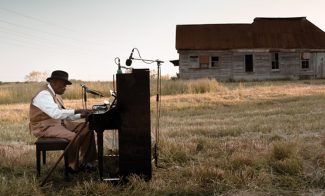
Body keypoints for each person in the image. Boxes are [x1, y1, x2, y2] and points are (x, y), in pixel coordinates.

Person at [29, 70, 97, 173]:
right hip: (44, 127)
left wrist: (81, 115)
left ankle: (87, 162)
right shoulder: (44, 95)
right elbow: (56, 113)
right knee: (73, 137)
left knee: (88, 128)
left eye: (66, 85)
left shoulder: (56, 95)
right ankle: (72, 166)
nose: (65, 87)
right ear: (54, 82)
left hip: (58, 123)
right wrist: (78, 110)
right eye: (64, 84)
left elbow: (64, 115)